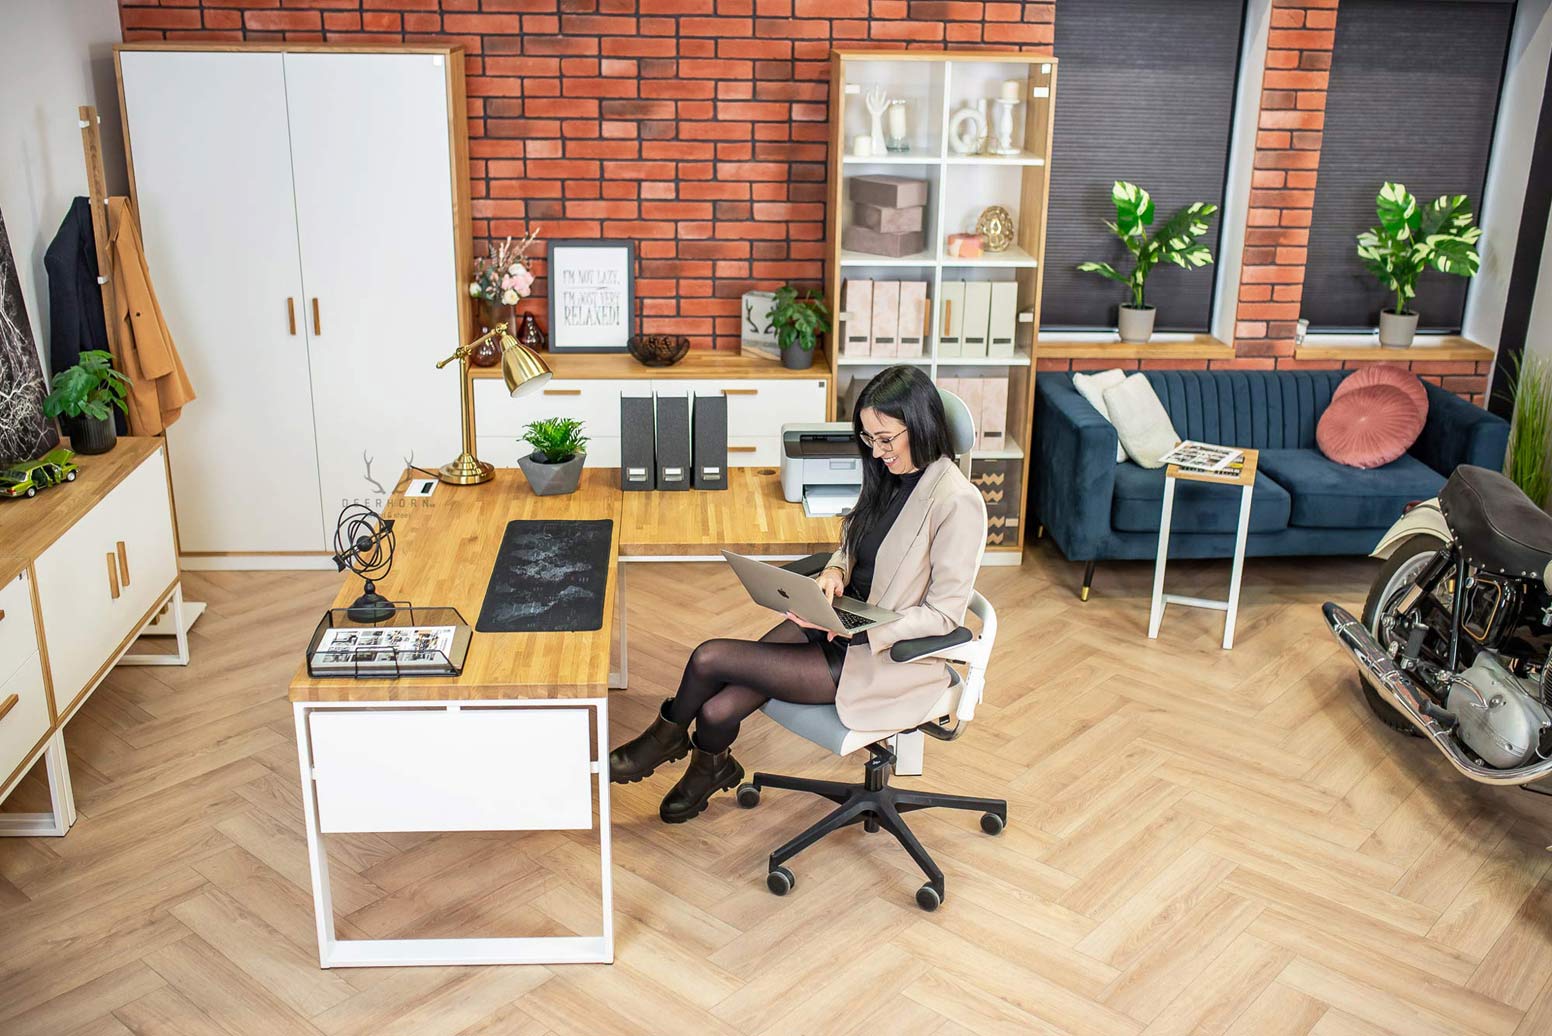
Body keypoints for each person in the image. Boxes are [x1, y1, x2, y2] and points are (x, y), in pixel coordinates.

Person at [608, 364, 988, 823]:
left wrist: (862, 632)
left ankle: (666, 738)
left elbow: (945, 617)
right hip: (835, 618)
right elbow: (853, 546)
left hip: (878, 655)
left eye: (886, 438)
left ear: (922, 425)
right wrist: (833, 572)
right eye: (869, 438)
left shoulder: (956, 502)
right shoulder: (889, 475)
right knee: (715, 711)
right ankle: (711, 766)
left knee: (709, 658)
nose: (878, 450)